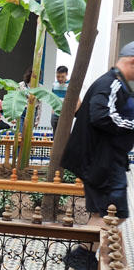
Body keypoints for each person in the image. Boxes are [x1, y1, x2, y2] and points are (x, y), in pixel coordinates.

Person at [62, 42, 134, 221]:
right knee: (113, 215)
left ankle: (86, 250)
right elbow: (100, 115)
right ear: (132, 61)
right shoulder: (111, 83)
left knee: (101, 215)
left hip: (102, 161)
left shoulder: (115, 83)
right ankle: (90, 250)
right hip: (103, 163)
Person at [51, 65, 69, 132]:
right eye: (58, 76)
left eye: (62, 77)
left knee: (64, 134)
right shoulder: (54, 84)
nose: (60, 79)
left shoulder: (70, 85)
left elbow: (77, 101)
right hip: (55, 114)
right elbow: (53, 99)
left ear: (67, 74)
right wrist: (52, 112)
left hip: (66, 114)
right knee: (55, 135)